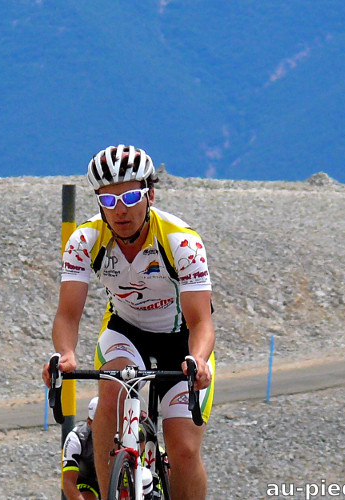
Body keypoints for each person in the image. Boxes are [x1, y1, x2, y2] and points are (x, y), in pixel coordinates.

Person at [42, 145, 215, 500]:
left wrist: (197, 359)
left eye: (131, 196)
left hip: (181, 340)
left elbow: (202, 321)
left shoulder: (181, 240)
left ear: (150, 195)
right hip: (126, 331)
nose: (120, 210)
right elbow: (67, 314)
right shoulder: (84, 241)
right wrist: (65, 354)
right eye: (108, 201)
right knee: (111, 392)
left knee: (183, 449)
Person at [61, 397, 100, 500]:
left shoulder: (120, 431)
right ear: (89, 423)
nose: (104, 428)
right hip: (87, 482)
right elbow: (68, 482)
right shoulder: (76, 438)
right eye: (99, 424)